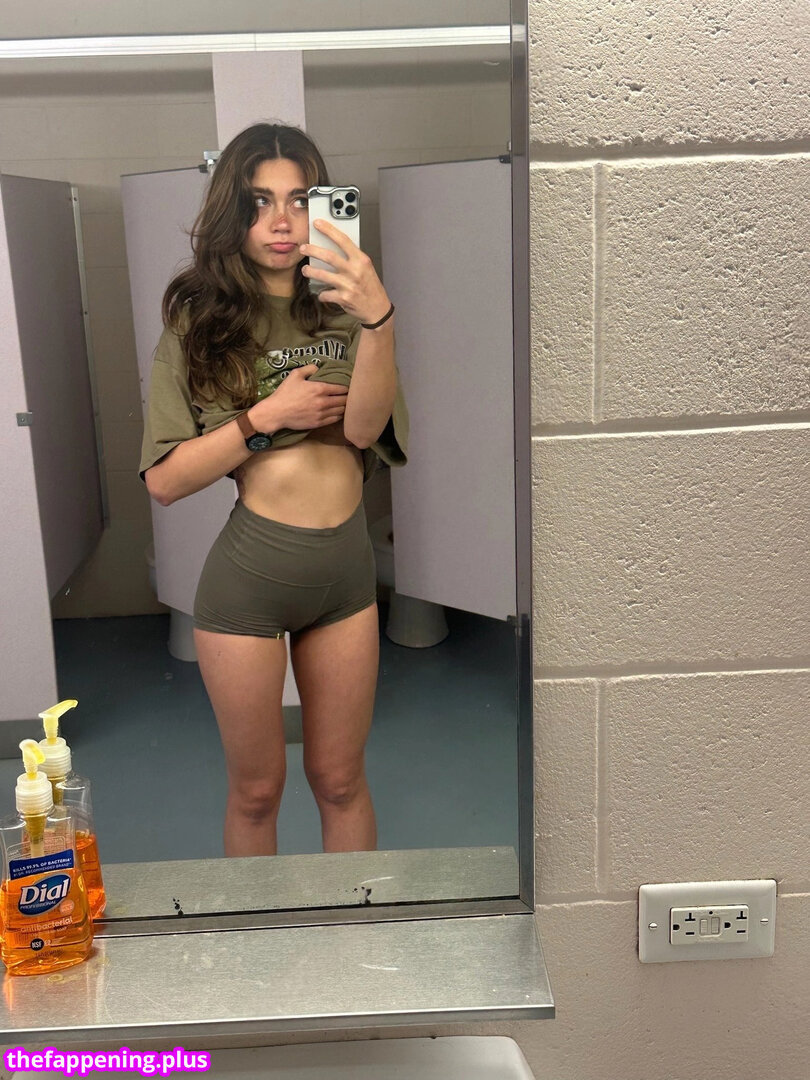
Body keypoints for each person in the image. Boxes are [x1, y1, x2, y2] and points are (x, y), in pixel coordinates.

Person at [139, 122, 407, 857]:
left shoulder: (350, 307)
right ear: (233, 211)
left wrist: (380, 319)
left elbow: (364, 430)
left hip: (345, 579)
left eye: (298, 199)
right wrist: (265, 418)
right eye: (260, 201)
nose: (281, 221)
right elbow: (165, 481)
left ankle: (352, 929)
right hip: (248, 583)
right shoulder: (199, 322)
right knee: (257, 792)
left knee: (341, 781)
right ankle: (258, 930)